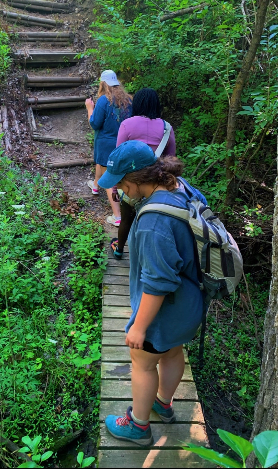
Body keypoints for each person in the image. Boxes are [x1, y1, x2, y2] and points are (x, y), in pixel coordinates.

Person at [98, 140, 206, 446]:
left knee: (142, 362)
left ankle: (138, 426)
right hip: (190, 303)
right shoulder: (179, 187)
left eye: (120, 184)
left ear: (135, 181)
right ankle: (163, 403)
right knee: (172, 352)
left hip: (165, 309)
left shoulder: (152, 223)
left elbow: (157, 282)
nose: (118, 190)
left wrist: (139, 327)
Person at [111, 87, 176, 258]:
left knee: (126, 219)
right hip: (157, 187)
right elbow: (171, 160)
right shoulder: (167, 128)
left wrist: (114, 188)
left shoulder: (127, 125)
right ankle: (148, 255)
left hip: (132, 184)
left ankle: (119, 250)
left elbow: (119, 158)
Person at [85, 70, 132, 227]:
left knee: (111, 181)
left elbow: (94, 123)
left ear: (103, 83)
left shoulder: (104, 101)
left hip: (106, 145)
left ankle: (117, 216)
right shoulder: (128, 101)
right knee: (103, 166)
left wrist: (89, 108)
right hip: (123, 144)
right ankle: (95, 186)